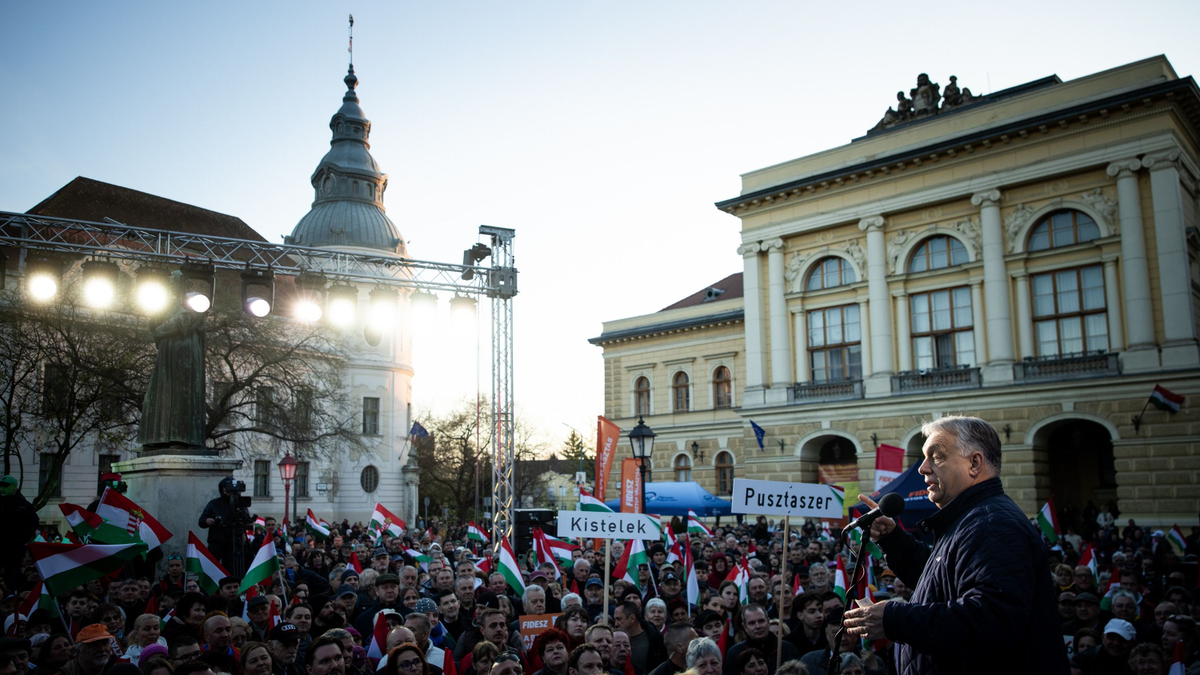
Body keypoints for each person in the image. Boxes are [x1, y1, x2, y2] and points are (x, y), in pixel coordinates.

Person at [843, 416, 1067, 675]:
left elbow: (990, 621)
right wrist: (894, 540)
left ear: (974, 463)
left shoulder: (991, 524)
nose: (922, 468)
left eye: (936, 457)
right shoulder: (971, 519)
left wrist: (894, 619)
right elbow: (943, 584)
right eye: (924, 457)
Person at [723, 606, 798, 675]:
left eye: (761, 621)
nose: (758, 626)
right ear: (745, 627)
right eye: (752, 623)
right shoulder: (734, 653)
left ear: (768, 622)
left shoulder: (788, 649)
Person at [198, 477, 253, 573]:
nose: (227, 491)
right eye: (225, 488)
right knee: (211, 568)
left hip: (234, 543)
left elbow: (246, 520)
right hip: (217, 541)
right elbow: (201, 521)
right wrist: (207, 520)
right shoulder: (214, 504)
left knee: (233, 569)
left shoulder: (241, 504)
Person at [613, 603, 665, 674]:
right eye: (617, 645)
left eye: (619, 619)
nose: (616, 624)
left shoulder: (656, 640)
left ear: (632, 618)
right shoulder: (611, 638)